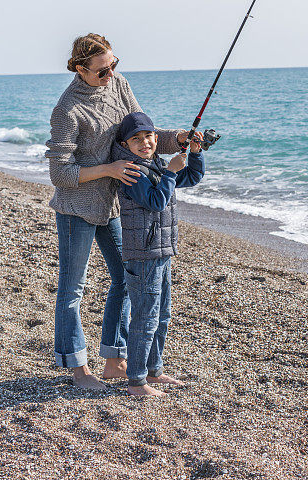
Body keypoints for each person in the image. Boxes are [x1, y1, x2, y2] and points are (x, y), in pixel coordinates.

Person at [45, 33, 191, 390]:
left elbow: (142, 130)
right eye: (101, 71)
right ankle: (79, 369)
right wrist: (108, 170)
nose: (110, 75)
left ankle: (114, 360)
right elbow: (60, 173)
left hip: (113, 205)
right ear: (81, 69)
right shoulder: (67, 110)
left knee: (126, 280)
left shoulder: (119, 85)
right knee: (72, 291)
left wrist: (181, 139)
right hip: (76, 208)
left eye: (113, 66)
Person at [111, 112, 205, 397]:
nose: (145, 143)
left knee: (162, 315)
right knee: (145, 318)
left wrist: (196, 154)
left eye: (149, 136)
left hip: (162, 251)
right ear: (126, 145)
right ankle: (137, 381)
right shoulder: (132, 172)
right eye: (136, 139)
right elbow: (155, 201)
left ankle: (154, 370)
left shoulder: (154, 165)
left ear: (156, 138)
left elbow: (193, 177)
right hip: (143, 255)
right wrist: (170, 172)